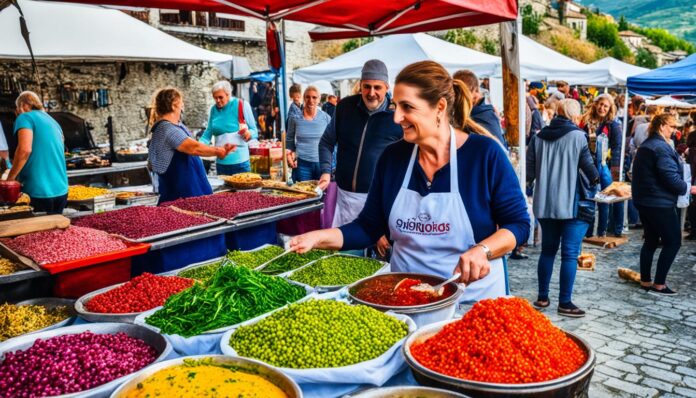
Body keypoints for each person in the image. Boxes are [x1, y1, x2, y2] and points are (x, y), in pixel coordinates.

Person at [292, 61, 530, 301]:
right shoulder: (393, 157)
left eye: (407, 107)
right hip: (406, 300)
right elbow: (368, 227)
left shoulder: (484, 154)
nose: (396, 117)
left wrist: (483, 250)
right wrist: (317, 237)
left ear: (439, 107)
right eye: (396, 106)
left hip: (473, 302)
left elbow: (518, 224)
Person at [318, 59, 403, 258]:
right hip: (345, 198)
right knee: (347, 260)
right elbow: (326, 142)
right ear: (360, 85)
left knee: (381, 264)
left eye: (377, 87)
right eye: (367, 87)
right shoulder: (346, 107)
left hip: (380, 201)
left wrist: (382, 224)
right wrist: (325, 171)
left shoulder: (397, 116)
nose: (371, 93)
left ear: (386, 87)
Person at [527, 99, 599, 317]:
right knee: (569, 254)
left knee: (547, 251)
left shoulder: (538, 137)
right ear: (574, 116)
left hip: (545, 204)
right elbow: (591, 172)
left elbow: (529, 174)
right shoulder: (578, 137)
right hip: (571, 204)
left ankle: (542, 297)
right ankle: (565, 303)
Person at [631, 113, 688, 296]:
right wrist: (686, 187)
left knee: (651, 241)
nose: (674, 130)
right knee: (673, 242)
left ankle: (646, 281)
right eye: (672, 126)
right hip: (659, 202)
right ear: (662, 125)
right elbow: (670, 177)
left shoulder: (648, 145)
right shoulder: (660, 147)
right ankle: (659, 284)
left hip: (645, 201)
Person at [148, 87, 235, 203]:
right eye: (181, 102)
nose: (183, 106)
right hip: (180, 195)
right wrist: (218, 151)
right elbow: (193, 147)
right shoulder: (166, 128)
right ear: (174, 105)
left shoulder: (176, 125)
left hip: (193, 190)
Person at [8, 91, 68, 214]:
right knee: (53, 233)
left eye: (17, 108)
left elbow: (24, 150)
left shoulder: (25, 117)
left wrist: (10, 179)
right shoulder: (53, 121)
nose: (17, 112)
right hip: (61, 190)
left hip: (38, 191)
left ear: (24, 105)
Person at [581, 93, 624, 237]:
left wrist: (615, 170)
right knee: (589, 198)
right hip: (586, 165)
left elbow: (617, 149)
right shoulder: (585, 121)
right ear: (595, 104)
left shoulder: (613, 125)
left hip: (603, 165)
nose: (602, 108)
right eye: (600, 104)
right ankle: (588, 232)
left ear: (610, 108)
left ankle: (602, 232)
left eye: (606, 106)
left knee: (604, 198)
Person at [200, 81, 257, 176]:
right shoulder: (213, 110)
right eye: (215, 98)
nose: (217, 100)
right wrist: (197, 146)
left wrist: (249, 133)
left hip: (241, 163)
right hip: (221, 164)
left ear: (228, 95)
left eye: (220, 97)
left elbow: (254, 130)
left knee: (243, 191)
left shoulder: (241, 105)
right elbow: (208, 133)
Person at [287, 86, 332, 181]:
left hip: (322, 163)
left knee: (322, 193)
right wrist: (289, 155)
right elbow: (290, 139)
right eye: (308, 97)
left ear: (319, 99)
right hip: (302, 164)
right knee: (303, 194)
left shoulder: (326, 118)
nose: (311, 100)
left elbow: (332, 141)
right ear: (303, 98)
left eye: (314, 97)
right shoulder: (295, 118)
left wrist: (332, 163)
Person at [453, 70, 507, 148]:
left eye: (459, 92)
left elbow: (499, 152)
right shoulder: (461, 115)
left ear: (477, 91)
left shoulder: (485, 116)